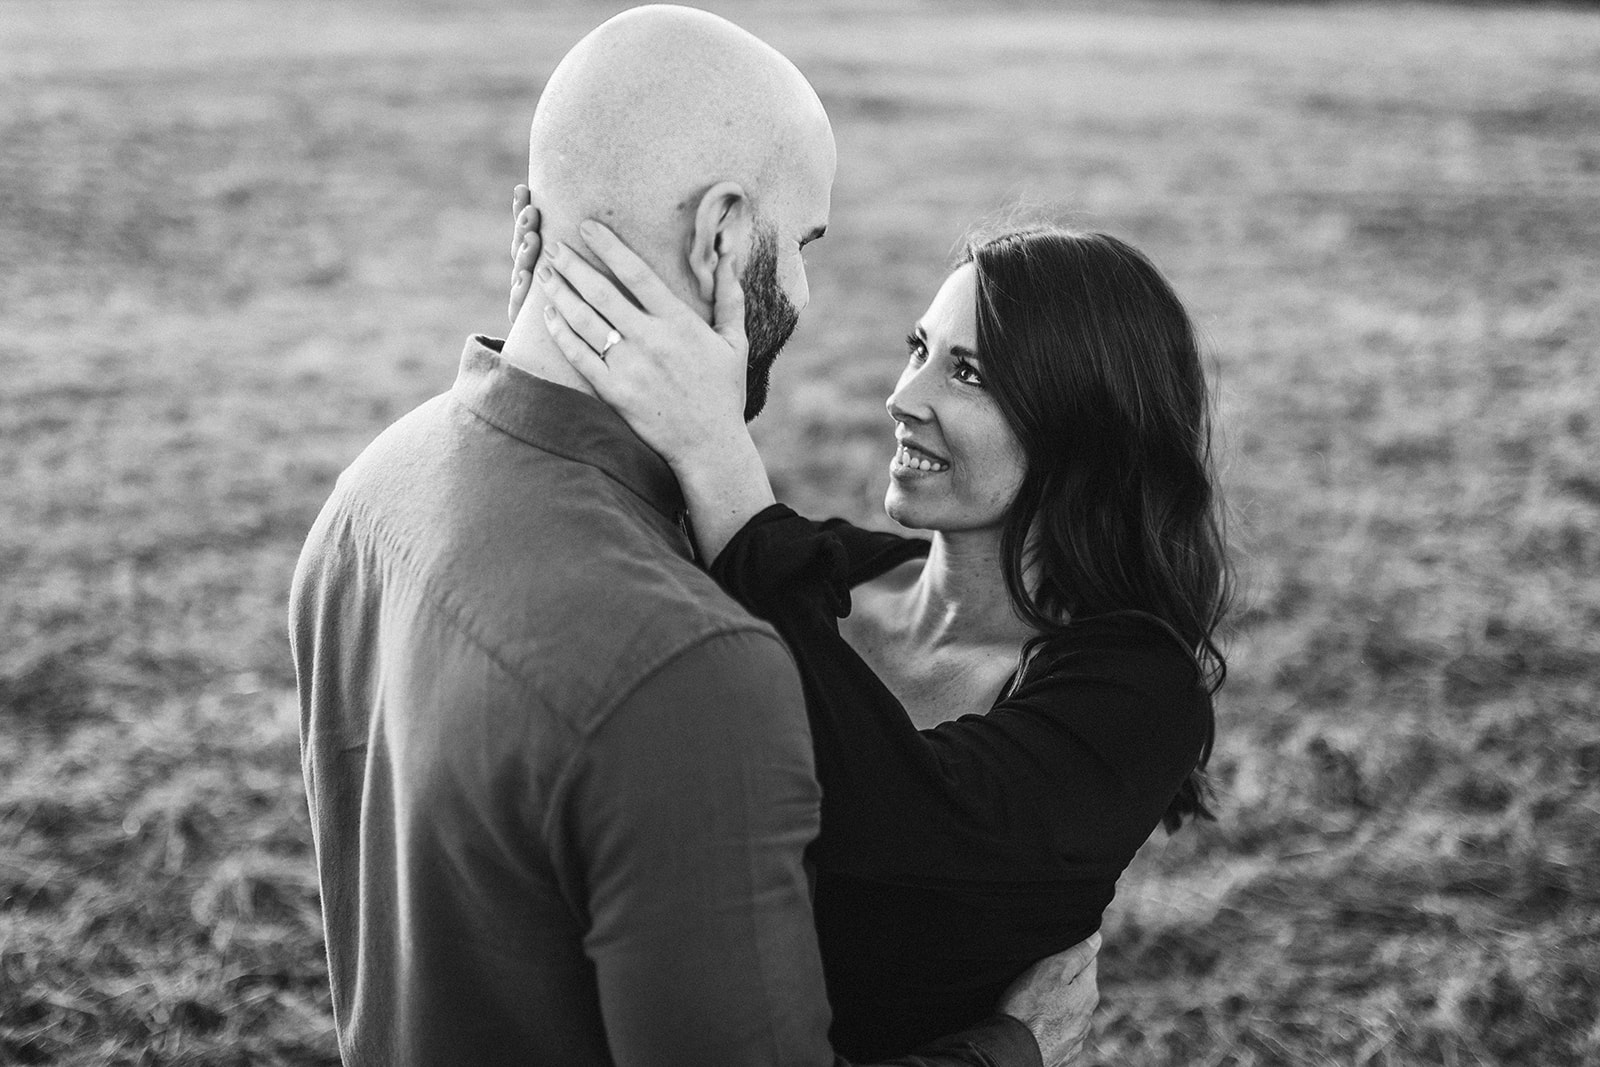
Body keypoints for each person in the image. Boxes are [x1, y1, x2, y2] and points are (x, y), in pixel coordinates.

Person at [289, 6, 1098, 1066]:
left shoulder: (369, 493)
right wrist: (1012, 1044)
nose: (802, 291)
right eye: (801, 243)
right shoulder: (688, 672)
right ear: (721, 232)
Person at [507, 191, 1232, 1058]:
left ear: (1086, 427)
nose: (901, 397)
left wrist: (721, 460)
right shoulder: (837, 578)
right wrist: (558, 357)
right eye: (920, 351)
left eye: (969, 374)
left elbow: (895, 824)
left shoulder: (1136, 695)